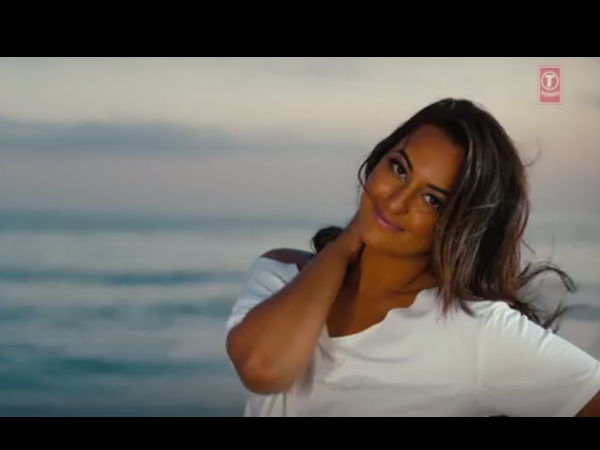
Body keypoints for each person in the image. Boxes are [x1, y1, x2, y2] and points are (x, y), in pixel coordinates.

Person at [224, 98, 600, 416]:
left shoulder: (477, 331)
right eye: (399, 169)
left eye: (432, 199)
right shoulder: (281, 273)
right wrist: (344, 246)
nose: (396, 201)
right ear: (378, 159)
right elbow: (263, 368)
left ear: (460, 224)